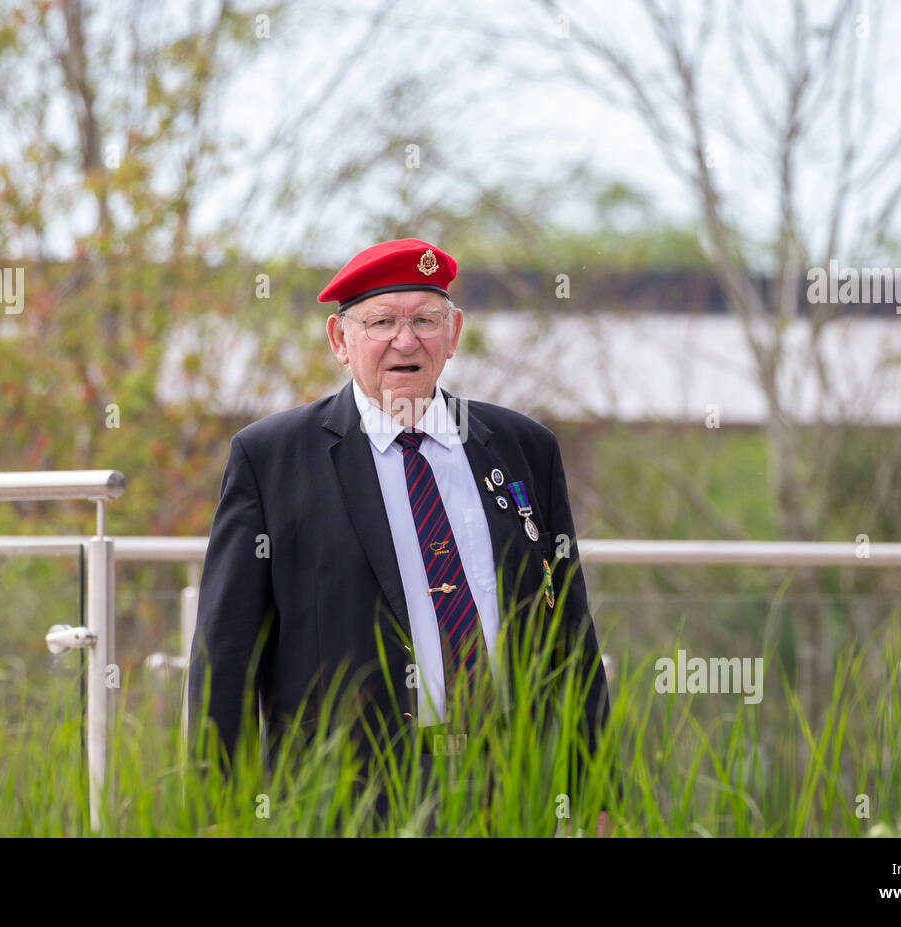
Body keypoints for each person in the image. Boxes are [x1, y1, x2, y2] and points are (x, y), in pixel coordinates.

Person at [188, 238, 612, 833]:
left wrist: (595, 792)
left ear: (454, 332)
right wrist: (218, 814)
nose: (405, 341)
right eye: (381, 321)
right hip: (347, 793)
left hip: (513, 781)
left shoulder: (523, 447)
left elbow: (569, 629)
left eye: (424, 320)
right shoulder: (272, 458)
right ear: (340, 340)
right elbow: (226, 653)